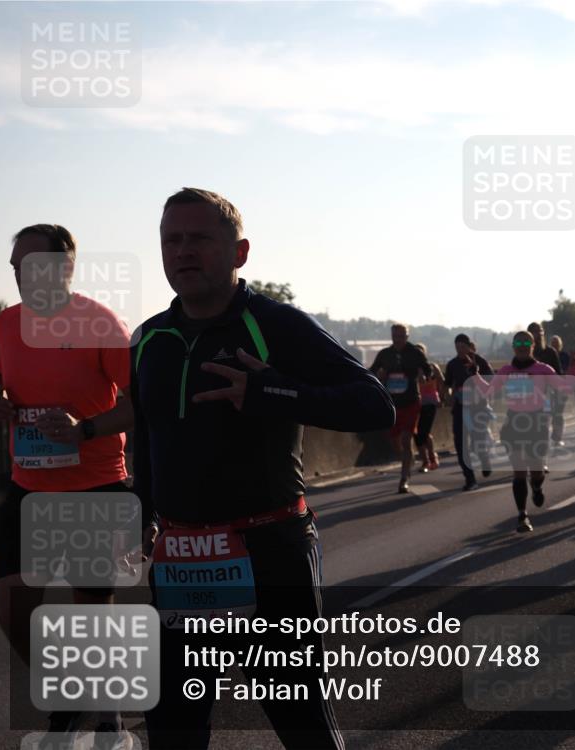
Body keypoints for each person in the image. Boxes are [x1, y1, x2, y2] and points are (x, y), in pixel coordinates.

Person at [134, 187, 393, 749]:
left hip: (270, 552)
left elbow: (374, 403)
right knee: (173, 733)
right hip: (179, 562)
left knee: (304, 731)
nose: (183, 251)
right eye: (171, 240)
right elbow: (151, 436)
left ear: (240, 252)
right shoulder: (149, 337)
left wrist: (272, 390)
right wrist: (141, 513)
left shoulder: (275, 325)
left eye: (199, 238)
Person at [0, 224, 135, 746]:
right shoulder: (7, 323)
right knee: (12, 606)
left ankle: (107, 709)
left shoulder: (101, 323)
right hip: (28, 484)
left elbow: (138, 405)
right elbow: (5, 380)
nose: (20, 277)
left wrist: (86, 429)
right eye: (14, 269)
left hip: (93, 485)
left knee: (90, 608)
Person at [476, 331, 563, 532]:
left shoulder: (543, 369)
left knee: (536, 471)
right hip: (514, 423)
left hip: (537, 423)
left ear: (533, 345)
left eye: (526, 342)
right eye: (518, 342)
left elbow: (562, 388)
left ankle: (538, 485)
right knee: (519, 472)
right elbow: (490, 391)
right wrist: (476, 375)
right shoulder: (506, 371)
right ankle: (522, 515)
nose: (522, 346)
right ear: (513, 346)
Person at [370, 323, 431, 493]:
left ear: (407, 336)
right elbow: (371, 371)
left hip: (411, 401)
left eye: (402, 336)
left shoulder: (415, 353)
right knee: (395, 442)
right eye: (396, 336)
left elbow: (428, 369)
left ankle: (404, 479)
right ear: (391, 336)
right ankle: (407, 458)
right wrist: (378, 377)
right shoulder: (385, 354)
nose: (399, 339)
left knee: (405, 439)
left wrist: (424, 375)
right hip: (392, 403)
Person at [444, 333, 494, 490]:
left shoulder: (480, 361)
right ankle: (470, 478)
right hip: (460, 408)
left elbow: (492, 382)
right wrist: (449, 397)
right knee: (460, 444)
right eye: (457, 347)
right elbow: (447, 385)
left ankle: (484, 458)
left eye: (462, 347)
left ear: (468, 346)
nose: (459, 350)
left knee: (477, 442)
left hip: (478, 407)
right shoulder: (452, 364)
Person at [413, 343, 444, 473]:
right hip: (416, 403)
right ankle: (431, 457)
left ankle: (427, 460)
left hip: (430, 403)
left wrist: (442, 398)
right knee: (418, 433)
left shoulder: (432, 367)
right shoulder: (411, 368)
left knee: (422, 432)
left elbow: (441, 381)